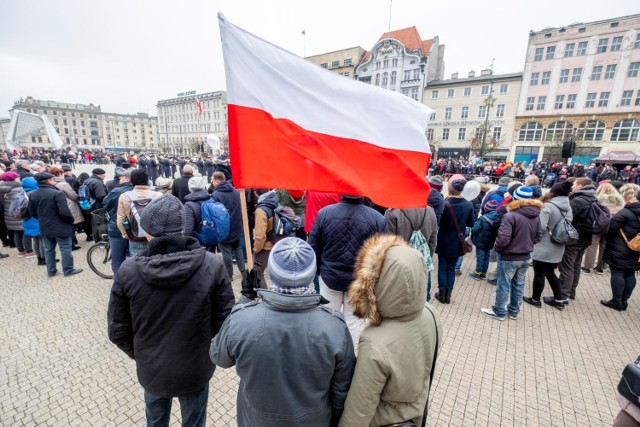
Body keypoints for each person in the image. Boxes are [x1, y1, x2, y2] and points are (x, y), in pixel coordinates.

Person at [108, 195, 235, 427]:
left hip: (153, 366)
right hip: (196, 364)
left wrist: (143, 353)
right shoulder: (211, 264)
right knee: (194, 422)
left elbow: (117, 330)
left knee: (155, 422)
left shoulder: (128, 271)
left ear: (147, 232)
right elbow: (225, 320)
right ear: (183, 229)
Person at [210, 237, 354, 426]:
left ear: (273, 273)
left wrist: (244, 300)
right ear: (311, 275)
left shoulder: (242, 318)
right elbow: (342, 390)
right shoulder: (335, 326)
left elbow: (218, 356)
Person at [339, 234, 441, 427]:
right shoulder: (430, 313)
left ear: (382, 281)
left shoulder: (375, 341)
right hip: (416, 414)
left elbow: (359, 409)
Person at [309, 195, 385, 347]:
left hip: (329, 277)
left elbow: (312, 247)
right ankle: (348, 357)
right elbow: (381, 255)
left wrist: (317, 271)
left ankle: (327, 353)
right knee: (352, 323)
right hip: (358, 281)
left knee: (328, 319)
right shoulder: (377, 218)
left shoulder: (325, 213)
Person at [481, 186, 542, 320]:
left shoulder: (510, 215)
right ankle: (514, 311)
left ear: (515, 198)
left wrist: (499, 249)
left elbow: (503, 238)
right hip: (525, 255)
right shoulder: (536, 215)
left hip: (509, 255)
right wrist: (527, 245)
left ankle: (499, 311)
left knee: (504, 284)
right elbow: (538, 236)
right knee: (518, 285)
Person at [523, 181, 573, 310]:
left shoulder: (548, 207)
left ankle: (535, 299)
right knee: (551, 272)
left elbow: (540, 227)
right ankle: (559, 299)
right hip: (558, 244)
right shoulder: (568, 207)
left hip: (544, 244)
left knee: (539, 273)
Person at [28, 172, 82, 277]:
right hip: (60, 225)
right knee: (65, 248)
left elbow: (32, 212)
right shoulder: (56, 193)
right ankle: (68, 270)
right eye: (52, 179)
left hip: (45, 226)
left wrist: (42, 219)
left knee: (48, 250)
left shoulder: (33, 194)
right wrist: (70, 220)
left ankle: (51, 271)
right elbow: (64, 212)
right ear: (48, 181)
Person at [384, 196, 438, 300]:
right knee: (423, 297)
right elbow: (433, 240)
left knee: (398, 299)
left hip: (399, 265)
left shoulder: (392, 212)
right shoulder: (430, 211)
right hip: (421, 262)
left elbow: (388, 244)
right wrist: (427, 258)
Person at [558, 178, 600, 301]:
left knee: (567, 267)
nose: (572, 187)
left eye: (575, 184)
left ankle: (562, 295)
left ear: (581, 186)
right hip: (585, 238)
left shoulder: (578, 200)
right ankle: (571, 292)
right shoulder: (593, 198)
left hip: (574, 238)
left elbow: (567, 218)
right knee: (575, 266)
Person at [434, 177, 474, 304]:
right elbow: (471, 223)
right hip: (458, 241)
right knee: (451, 269)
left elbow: (438, 222)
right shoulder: (468, 204)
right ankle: (448, 296)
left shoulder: (444, 203)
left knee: (442, 267)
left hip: (444, 239)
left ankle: (441, 294)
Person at [601, 187, 640, 311]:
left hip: (619, 247)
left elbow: (611, 229)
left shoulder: (625, 213)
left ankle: (616, 301)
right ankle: (624, 301)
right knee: (630, 273)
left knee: (618, 272)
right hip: (637, 249)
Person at [582, 182, 625, 274]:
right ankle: (600, 268)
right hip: (612, 224)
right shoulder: (619, 200)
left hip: (598, 224)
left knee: (592, 245)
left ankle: (587, 267)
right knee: (604, 246)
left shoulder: (598, 199)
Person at [116, 170, 160, 256]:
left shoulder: (125, 196)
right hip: (155, 237)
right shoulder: (157, 195)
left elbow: (120, 219)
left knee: (138, 265)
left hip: (135, 238)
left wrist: (125, 234)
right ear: (147, 180)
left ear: (132, 180)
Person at [211, 172, 245, 279]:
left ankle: (229, 274)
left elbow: (214, 213)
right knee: (238, 248)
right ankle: (243, 271)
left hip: (224, 228)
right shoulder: (236, 191)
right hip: (237, 225)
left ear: (217, 181)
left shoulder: (216, 195)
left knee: (226, 251)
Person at [102, 169, 133, 274]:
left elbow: (105, 204)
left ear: (128, 179)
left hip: (118, 228)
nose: (119, 178)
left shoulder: (117, 191)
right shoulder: (139, 190)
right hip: (137, 228)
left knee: (118, 259)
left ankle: (119, 284)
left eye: (122, 176)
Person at [50, 167, 83, 251]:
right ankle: (71, 244)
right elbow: (72, 195)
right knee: (72, 225)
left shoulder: (52, 183)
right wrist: (78, 199)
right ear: (59, 174)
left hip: (60, 206)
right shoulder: (62, 184)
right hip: (69, 205)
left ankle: (72, 242)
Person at [1, 171, 33, 256]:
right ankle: (29, 250)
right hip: (19, 213)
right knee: (25, 231)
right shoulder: (18, 189)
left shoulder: (2, 188)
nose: (19, 178)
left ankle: (21, 250)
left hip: (9, 213)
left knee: (17, 232)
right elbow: (25, 202)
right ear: (13, 179)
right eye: (17, 177)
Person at [469, 199, 499, 280]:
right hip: (490, 241)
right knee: (487, 256)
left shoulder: (483, 219)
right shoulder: (497, 217)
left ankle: (477, 273)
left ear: (486, 209)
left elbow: (474, 229)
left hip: (480, 241)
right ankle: (483, 274)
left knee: (480, 257)